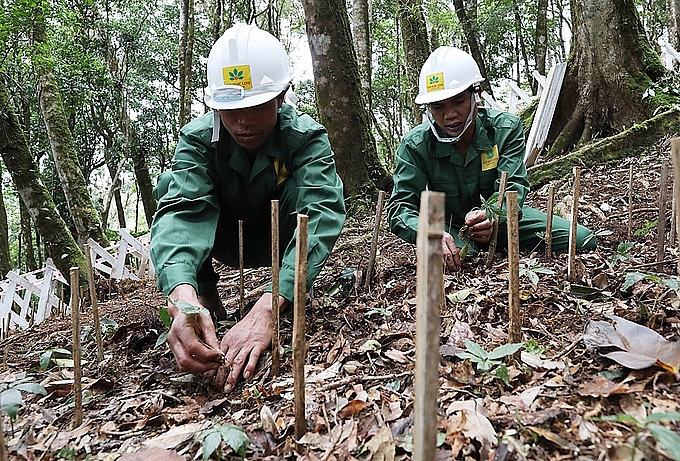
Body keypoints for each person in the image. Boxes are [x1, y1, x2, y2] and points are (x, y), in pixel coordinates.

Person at [150, 23, 346, 392]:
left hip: (281, 238)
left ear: (281, 96)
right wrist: (183, 298)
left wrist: (270, 306)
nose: (243, 120)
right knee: (169, 187)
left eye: (256, 105)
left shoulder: (306, 137)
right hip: (223, 240)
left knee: (318, 190)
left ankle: (292, 290)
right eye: (229, 108)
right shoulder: (197, 140)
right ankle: (205, 295)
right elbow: (182, 212)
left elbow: (321, 209)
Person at [386, 46, 595, 271]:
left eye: (458, 102)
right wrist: (427, 232)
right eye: (438, 107)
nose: (449, 115)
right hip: (451, 228)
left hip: (505, 220)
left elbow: (514, 186)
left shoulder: (505, 129)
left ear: (476, 95)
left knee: (581, 239)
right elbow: (400, 206)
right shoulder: (415, 145)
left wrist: (497, 216)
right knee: (464, 259)